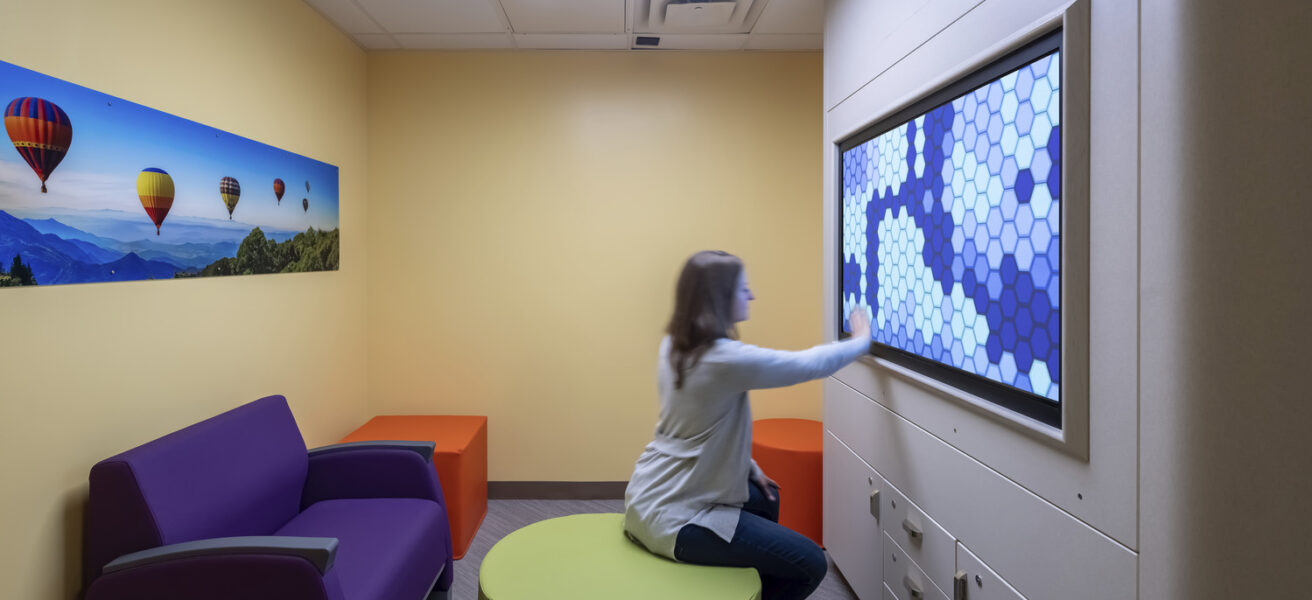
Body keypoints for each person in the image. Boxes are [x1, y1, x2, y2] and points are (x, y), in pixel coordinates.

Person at [623, 250, 872, 600]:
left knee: (765, 497)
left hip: (647, 496)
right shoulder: (722, 358)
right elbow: (807, 365)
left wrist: (749, 466)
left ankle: (746, 583)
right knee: (810, 562)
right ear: (719, 298)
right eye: (744, 289)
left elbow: (698, 426)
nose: (751, 295)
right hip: (675, 519)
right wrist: (861, 340)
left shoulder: (676, 346)